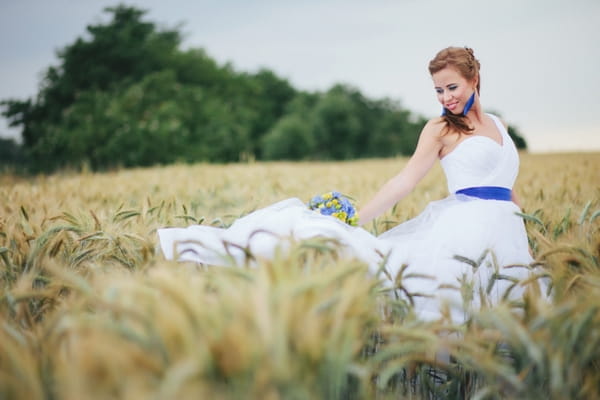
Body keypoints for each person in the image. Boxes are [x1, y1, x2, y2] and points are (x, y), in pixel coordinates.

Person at [158, 47, 542, 323]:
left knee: (510, 314)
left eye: (452, 87)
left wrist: (530, 231)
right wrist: (356, 218)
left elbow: (508, 186)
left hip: (506, 234)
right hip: (465, 232)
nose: (446, 98)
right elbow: (405, 180)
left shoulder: (499, 125)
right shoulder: (440, 128)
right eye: (438, 90)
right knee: (452, 309)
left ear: (474, 78)